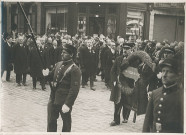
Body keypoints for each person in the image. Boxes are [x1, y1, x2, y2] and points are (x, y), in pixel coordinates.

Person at [43, 44, 81, 132]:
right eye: (62, 52)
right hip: (53, 98)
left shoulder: (75, 69)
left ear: (71, 55)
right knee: (51, 121)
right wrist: (46, 74)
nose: (62, 54)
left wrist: (68, 104)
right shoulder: (58, 64)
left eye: (64, 53)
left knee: (66, 124)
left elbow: (74, 89)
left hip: (64, 101)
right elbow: (51, 77)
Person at [142, 58, 183, 133]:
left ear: (177, 75)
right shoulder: (155, 93)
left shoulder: (182, 96)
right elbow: (147, 122)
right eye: (163, 71)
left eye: (169, 72)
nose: (164, 75)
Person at [109, 42, 134, 126]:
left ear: (131, 49)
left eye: (127, 49)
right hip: (118, 84)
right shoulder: (118, 59)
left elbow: (136, 73)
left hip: (128, 84)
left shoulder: (134, 60)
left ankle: (125, 117)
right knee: (117, 102)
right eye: (124, 49)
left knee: (127, 102)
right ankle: (116, 120)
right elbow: (113, 70)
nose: (125, 50)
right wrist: (114, 80)